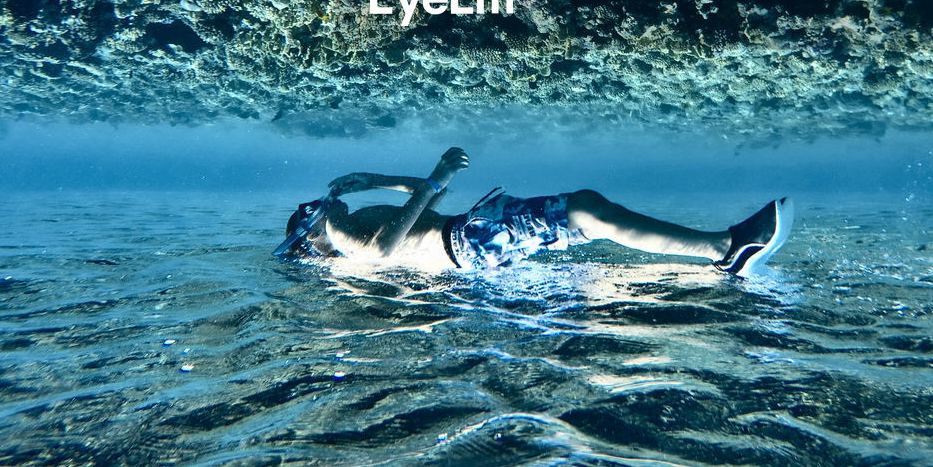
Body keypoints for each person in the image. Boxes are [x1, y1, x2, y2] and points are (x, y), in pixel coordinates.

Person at [274, 147, 793, 276]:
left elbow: (426, 201)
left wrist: (374, 179)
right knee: (587, 210)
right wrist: (437, 175)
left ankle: (722, 253)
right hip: (469, 240)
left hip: (469, 244)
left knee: (587, 216)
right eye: (309, 211)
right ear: (308, 229)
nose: (315, 204)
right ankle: (727, 249)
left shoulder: (346, 233)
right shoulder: (336, 229)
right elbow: (388, 246)